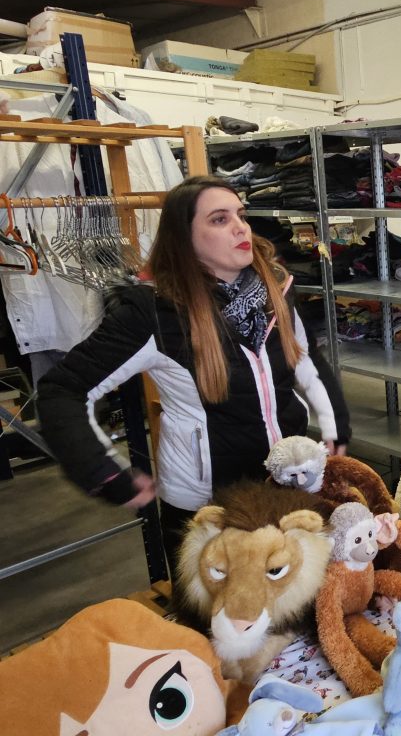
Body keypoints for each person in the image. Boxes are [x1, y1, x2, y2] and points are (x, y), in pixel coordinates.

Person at [37, 176, 351, 565]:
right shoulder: (155, 311)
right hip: (207, 506)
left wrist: (335, 425)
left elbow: (304, 357)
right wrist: (103, 472)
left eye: (240, 214)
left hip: (287, 484)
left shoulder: (275, 288)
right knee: (215, 621)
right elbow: (62, 391)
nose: (240, 227)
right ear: (184, 237)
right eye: (219, 220)